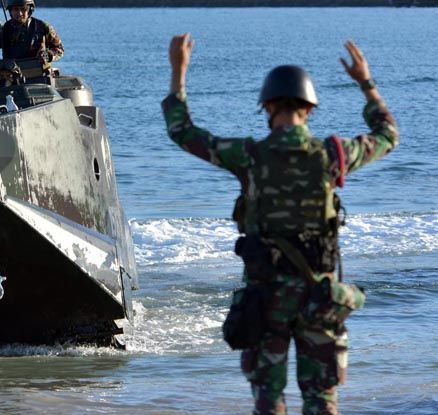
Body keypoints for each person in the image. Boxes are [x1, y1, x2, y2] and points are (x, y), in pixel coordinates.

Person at [161, 34, 398, 415]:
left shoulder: (250, 156)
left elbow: (182, 131)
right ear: (310, 109)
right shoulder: (333, 156)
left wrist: (179, 71)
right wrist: (365, 83)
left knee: (268, 402)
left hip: (266, 298)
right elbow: (388, 134)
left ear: (267, 106)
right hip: (319, 298)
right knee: (321, 401)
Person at [0, 0, 63, 69]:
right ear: (10, 11)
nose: (20, 13)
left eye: (23, 9)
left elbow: (59, 49)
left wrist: (48, 55)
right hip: (12, 75)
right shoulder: (3, 31)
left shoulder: (43, 27)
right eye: (15, 9)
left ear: (30, 10)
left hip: (39, 75)